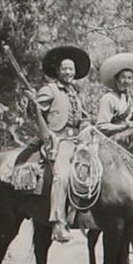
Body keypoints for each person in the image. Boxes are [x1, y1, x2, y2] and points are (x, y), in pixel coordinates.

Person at [31, 44, 92, 243]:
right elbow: (36, 113)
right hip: (60, 141)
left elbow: (84, 118)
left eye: (71, 69)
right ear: (58, 71)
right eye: (65, 69)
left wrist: (86, 131)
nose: (68, 72)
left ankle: (86, 216)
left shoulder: (76, 94)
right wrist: (32, 103)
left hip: (79, 141)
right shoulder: (49, 90)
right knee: (62, 175)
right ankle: (58, 222)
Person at [96, 52, 133, 135]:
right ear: (117, 79)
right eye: (123, 77)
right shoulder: (108, 98)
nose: (126, 81)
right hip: (109, 140)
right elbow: (101, 126)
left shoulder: (128, 100)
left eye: (129, 78)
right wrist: (125, 126)